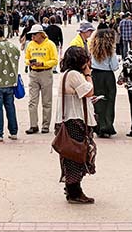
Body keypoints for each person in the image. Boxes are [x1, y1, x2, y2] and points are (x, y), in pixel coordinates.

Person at [54, 46, 97, 204]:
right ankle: (74, 192)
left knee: (72, 156)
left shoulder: (67, 73)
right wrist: (88, 74)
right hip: (74, 120)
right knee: (76, 156)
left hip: (69, 119)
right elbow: (89, 91)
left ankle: (72, 188)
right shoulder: (74, 75)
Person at [25, 24, 59, 134]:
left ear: (41, 34)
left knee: (47, 101)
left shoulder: (50, 44)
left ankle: (45, 125)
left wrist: (43, 63)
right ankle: (33, 125)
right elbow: (26, 58)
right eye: (31, 35)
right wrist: (30, 62)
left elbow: (55, 60)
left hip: (45, 73)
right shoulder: (30, 45)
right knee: (32, 101)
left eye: (34, 34)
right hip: (34, 73)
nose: (32, 36)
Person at [89, 29, 119, 138]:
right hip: (107, 76)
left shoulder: (92, 49)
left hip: (95, 75)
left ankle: (99, 125)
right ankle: (108, 124)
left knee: (97, 100)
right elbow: (115, 67)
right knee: (109, 101)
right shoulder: (110, 51)